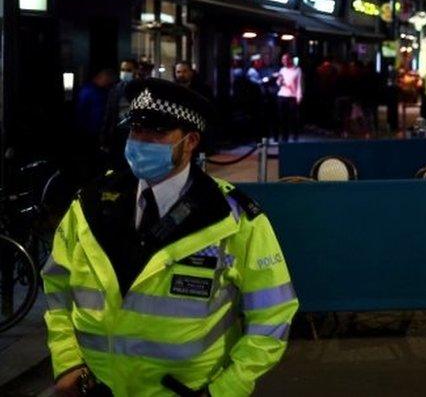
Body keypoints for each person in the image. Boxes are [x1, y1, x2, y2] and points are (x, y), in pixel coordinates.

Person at [43, 79, 298, 395]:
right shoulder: (89, 205)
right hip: (95, 388)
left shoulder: (234, 219)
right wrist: (67, 362)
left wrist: (226, 388)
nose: (142, 141)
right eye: (137, 130)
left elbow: (273, 314)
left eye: (158, 133)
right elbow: (56, 286)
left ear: (190, 141)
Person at [101, 59, 142, 163]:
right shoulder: (115, 89)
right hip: (118, 134)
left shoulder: (142, 89)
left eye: (128, 70)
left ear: (135, 71)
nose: (125, 72)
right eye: (123, 69)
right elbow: (109, 115)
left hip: (136, 135)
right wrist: (105, 139)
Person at [276, 53, 303, 142]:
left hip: (292, 97)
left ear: (290, 60)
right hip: (282, 95)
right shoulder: (282, 70)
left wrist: (299, 97)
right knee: (283, 118)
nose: (284, 61)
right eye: (283, 59)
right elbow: (278, 83)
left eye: (286, 59)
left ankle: (295, 136)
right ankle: (284, 138)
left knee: (293, 118)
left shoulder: (297, 70)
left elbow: (299, 85)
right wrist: (280, 81)